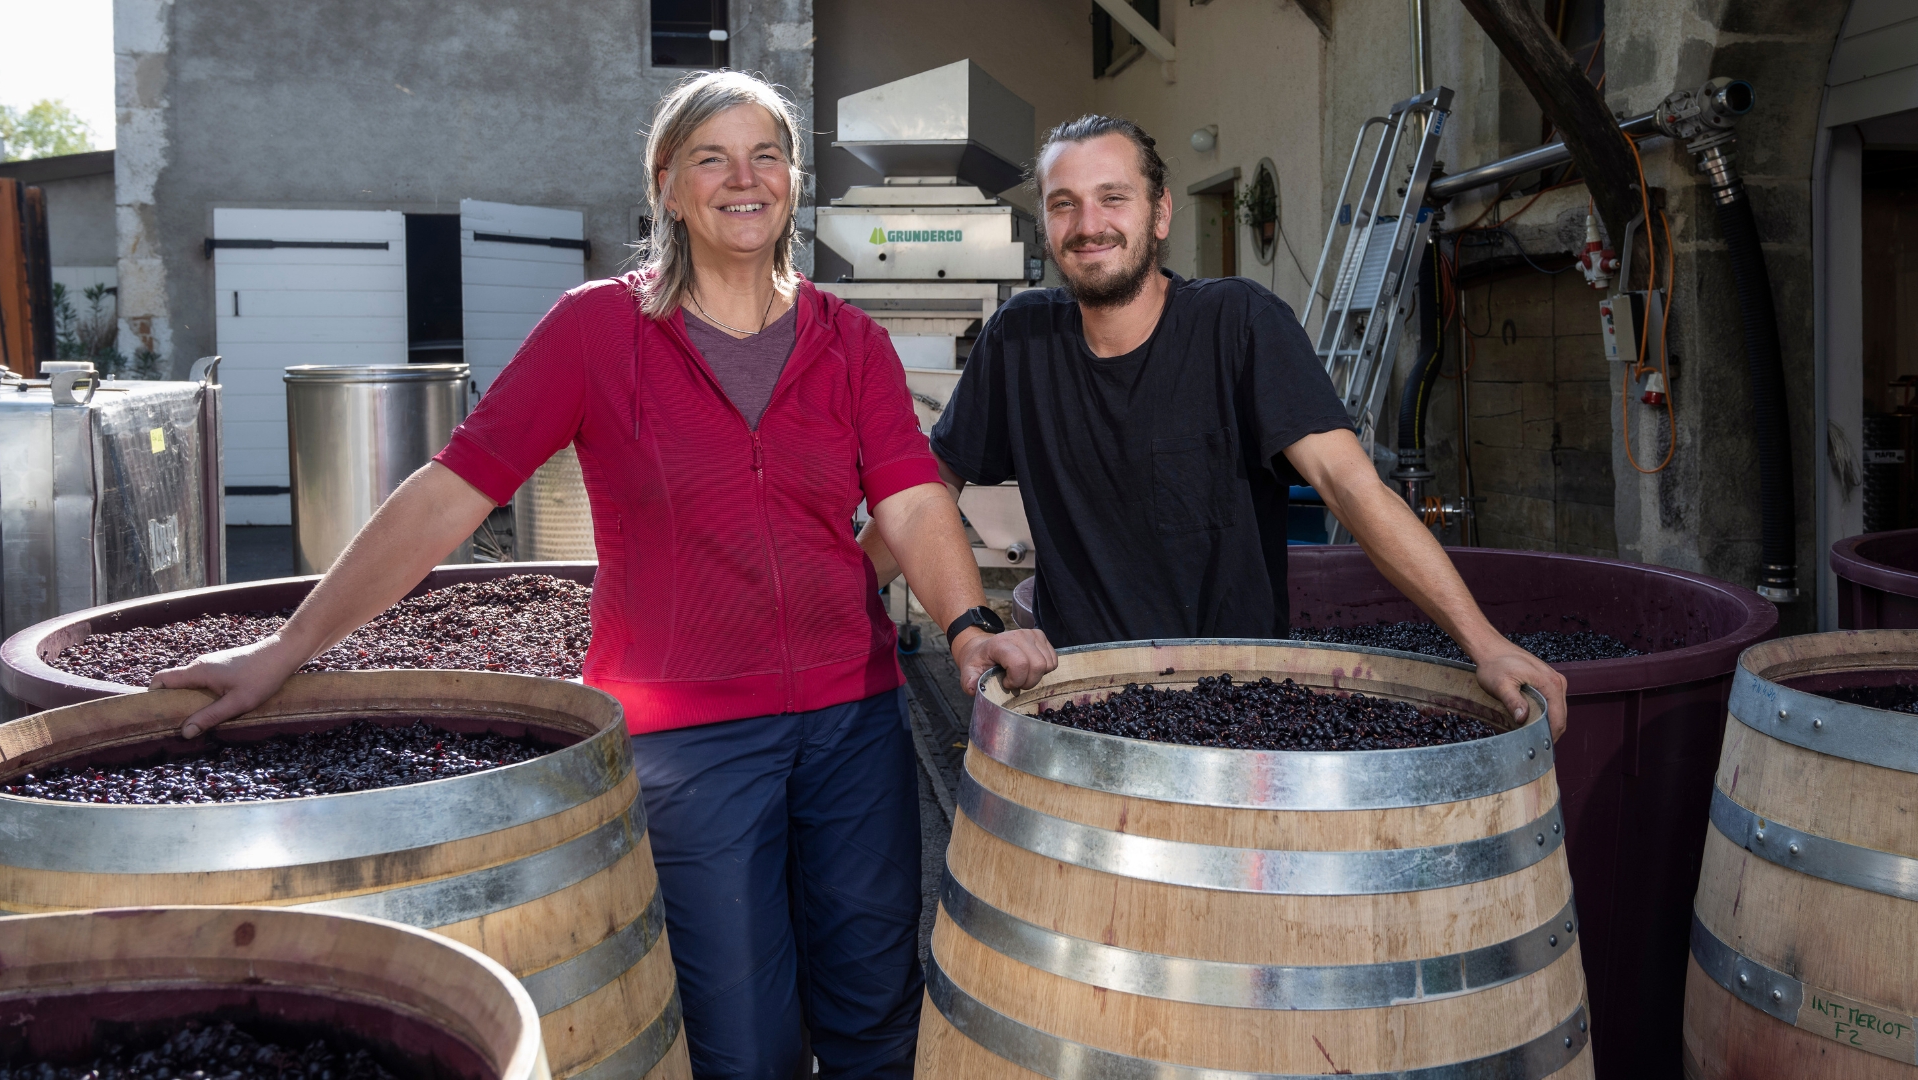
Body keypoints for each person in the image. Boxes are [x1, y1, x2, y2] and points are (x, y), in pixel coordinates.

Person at [153, 71, 1057, 1080]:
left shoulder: (848, 343)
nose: (743, 178)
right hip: (691, 746)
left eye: (766, 155)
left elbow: (912, 499)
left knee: (875, 1018)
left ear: (794, 183)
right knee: (742, 1043)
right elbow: (453, 491)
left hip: (852, 723)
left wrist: (970, 620)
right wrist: (289, 646)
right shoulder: (597, 331)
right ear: (667, 186)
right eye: (711, 158)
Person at [862, 114, 1569, 735]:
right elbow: (924, 487)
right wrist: (835, 597)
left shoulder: (1239, 326)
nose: (1088, 225)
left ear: (1160, 213)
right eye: (1063, 205)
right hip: (1076, 698)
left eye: (1114, 198)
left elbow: (1352, 489)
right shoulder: (1019, 341)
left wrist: (1485, 643)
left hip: (1236, 699)